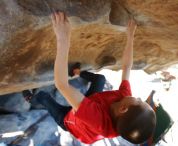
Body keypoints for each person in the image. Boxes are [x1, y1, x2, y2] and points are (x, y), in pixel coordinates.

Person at [23, 11, 156, 144]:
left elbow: (62, 85)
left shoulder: (98, 121)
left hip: (69, 121)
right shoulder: (125, 100)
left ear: (123, 109)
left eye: (139, 100)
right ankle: (76, 72)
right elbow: (127, 67)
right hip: (92, 104)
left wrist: (63, 37)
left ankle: (31, 99)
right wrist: (130, 36)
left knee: (44, 97)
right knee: (100, 80)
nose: (138, 97)